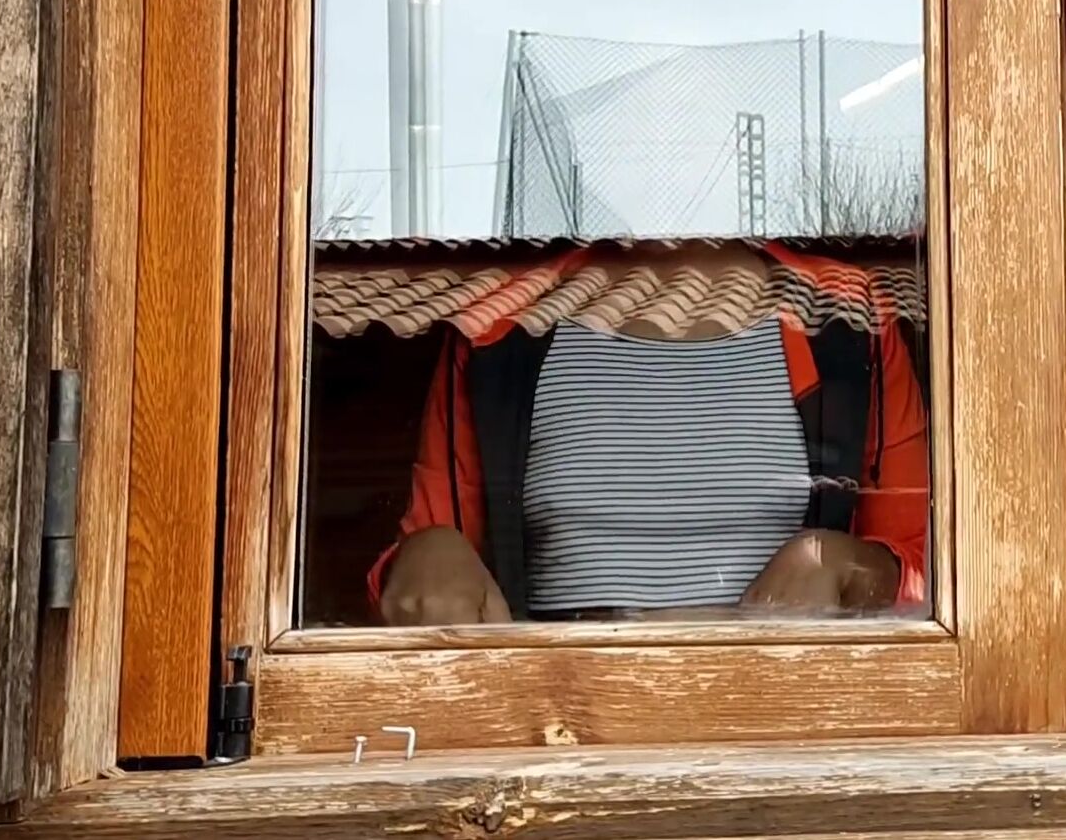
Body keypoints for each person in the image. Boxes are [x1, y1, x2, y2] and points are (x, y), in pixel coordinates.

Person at [368, 240, 929, 625]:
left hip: (789, 719)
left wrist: (844, 565)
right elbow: (426, 586)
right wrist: (424, 554)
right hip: (560, 724)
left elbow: (933, 573)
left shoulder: (848, 316)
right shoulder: (500, 325)